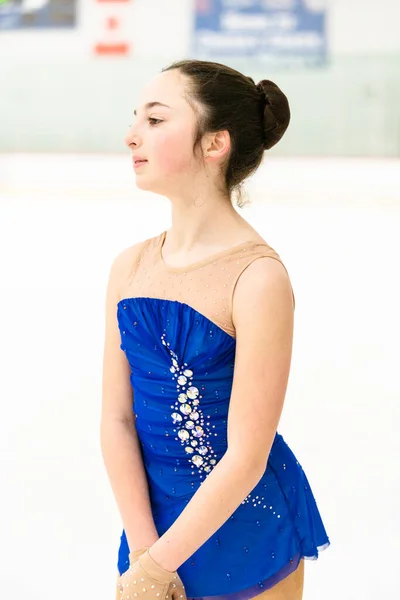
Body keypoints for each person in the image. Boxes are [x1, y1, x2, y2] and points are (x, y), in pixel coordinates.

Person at [100, 59, 330, 600]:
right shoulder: (129, 267)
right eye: (136, 118)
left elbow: (247, 454)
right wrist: (144, 555)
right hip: (149, 530)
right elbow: (115, 418)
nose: (132, 134)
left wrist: (160, 564)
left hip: (247, 532)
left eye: (156, 120)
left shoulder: (257, 278)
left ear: (214, 143)